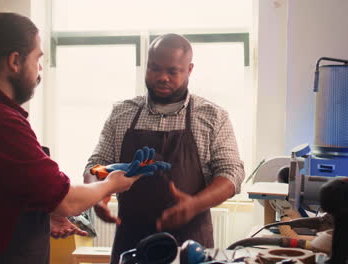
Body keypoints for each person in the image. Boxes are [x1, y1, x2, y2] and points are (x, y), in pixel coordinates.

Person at [0, 12, 153, 264]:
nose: (40, 69)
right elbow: (67, 200)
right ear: (15, 61)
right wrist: (111, 184)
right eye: (38, 58)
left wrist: (41, 215)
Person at [84, 33, 246, 263]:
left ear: (189, 70)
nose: (162, 77)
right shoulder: (121, 113)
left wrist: (194, 205)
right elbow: (96, 165)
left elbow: (232, 173)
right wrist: (96, 193)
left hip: (190, 249)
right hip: (131, 246)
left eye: (172, 71)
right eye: (154, 68)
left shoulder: (212, 116)